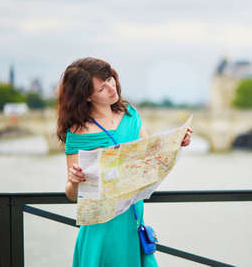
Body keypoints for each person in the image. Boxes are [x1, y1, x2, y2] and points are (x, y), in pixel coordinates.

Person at [56, 57, 192, 267]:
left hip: (133, 220)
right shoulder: (78, 132)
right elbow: (71, 194)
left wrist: (177, 143)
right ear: (87, 97)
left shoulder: (130, 116)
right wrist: (74, 181)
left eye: (110, 79)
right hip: (100, 228)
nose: (111, 88)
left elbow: (151, 159)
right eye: (101, 88)